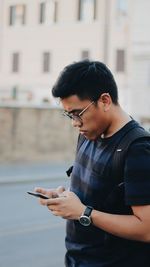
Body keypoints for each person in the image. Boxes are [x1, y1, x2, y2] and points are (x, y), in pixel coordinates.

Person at [35, 60, 150, 266]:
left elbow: (146, 229)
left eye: (78, 113)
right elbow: (98, 193)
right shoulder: (89, 133)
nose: (75, 123)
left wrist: (83, 213)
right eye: (69, 115)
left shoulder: (137, 148)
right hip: (76, 259)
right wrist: (63, 198)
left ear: (105, 100)